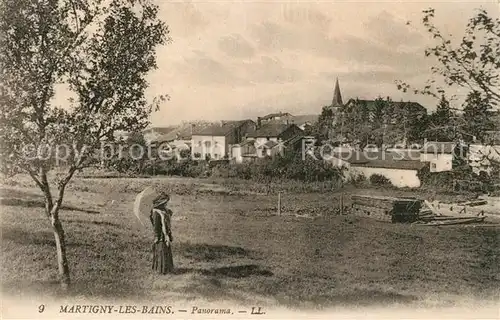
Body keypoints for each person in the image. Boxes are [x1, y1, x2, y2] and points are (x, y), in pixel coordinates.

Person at [149, 192, 174, 274]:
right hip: (160, 235)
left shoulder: (164, 211)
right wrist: (157, 236)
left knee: (166, 250)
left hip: (165, 234)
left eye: (166, 202)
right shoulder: (156, 212)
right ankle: (161, 270)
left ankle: (167, 269)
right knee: (161, 251)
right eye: (165, 202)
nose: (166, 204)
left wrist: (168, 215)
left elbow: (167, 224)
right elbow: (156, 226)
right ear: (161, 202)